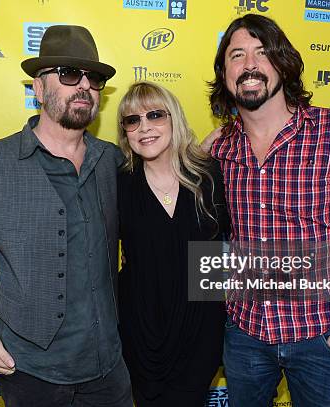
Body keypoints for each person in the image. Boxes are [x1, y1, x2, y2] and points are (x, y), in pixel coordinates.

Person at [0, 25, 133, 407]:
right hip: (30, 370)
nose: (84, 86)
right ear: (38, 88)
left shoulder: (112, 161)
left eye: (94, 78)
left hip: (108, 365)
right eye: (69, 74)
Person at [204, 14, 330, 407]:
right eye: (237, 55)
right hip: (244, 336)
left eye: (262, 53)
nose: (250, 64)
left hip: (322, 338)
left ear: (283, 65)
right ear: (224, 73)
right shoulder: (220, 149)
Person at [116, 81, 230, 407]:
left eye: (155, 115)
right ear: (125, 132)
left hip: (201, 329)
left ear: (174, 119)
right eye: (132, 120)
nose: (145, 127)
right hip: (139, 332)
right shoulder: (117, 182)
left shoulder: (209, 177)